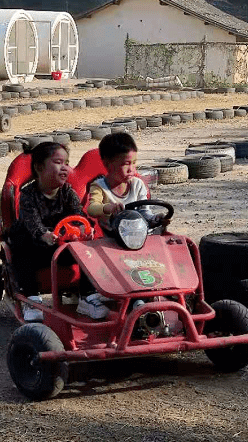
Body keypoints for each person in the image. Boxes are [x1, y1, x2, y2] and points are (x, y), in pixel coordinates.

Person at [9, 142, 109, 321]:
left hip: (62, 244)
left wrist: (83, 229)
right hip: (36, 247)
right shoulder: (28, 194)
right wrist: (44, 235)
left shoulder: (68, 192)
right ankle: (31, 299)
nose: (65, 168)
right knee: (21, 246)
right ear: (40, 168)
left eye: (67, 163)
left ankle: (87, 297)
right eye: (58, 163)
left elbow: (79, 214)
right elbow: (32, 223)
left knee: (88, 248)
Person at [86, 132, 150, 232]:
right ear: (108, 164)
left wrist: (156, 218)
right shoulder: (99, 186)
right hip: (110, 237)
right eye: (126, 164)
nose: (131, 169)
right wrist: (108, 208)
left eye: (133, 163)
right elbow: (92, 209)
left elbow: (145, 212)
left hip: (137, 234)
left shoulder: (137, 185)